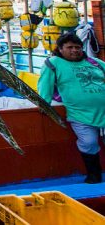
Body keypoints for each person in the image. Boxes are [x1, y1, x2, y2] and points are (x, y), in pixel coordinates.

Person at [38, 32, 105, 184]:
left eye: (78, 47)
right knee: (89, 142)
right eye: (70, 47)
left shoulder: (94, 62)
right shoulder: (53, 63)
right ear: (60, 49)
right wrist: (44, 103)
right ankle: (94, 174)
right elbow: (45, 85)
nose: (75, 50)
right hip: (80, 114)